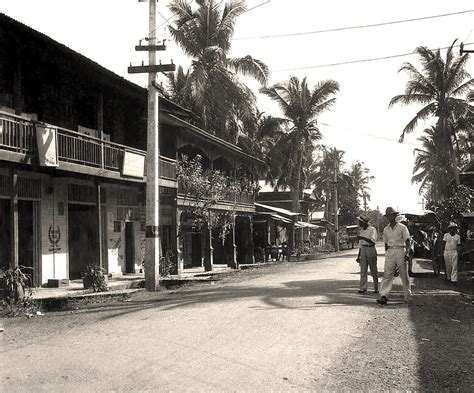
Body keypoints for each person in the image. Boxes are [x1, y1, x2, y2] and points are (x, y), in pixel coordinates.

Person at [377, 207, 412, 305]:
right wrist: (387, 254)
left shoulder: (402, 227)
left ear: (395, 216)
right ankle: (384, 296)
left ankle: (408, 296)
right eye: (388, 216)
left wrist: (408, 253)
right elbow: (385, 244)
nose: (390, 217)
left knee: (404, 275)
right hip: (390, 252)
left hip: (401, 250)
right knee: (387, 275)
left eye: (391, 215)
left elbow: (407, 241)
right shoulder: (386, 229)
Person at [356, 214, 378, 293]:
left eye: (360, 222)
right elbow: (360, 245)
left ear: (364, 222)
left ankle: (376, 288)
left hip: (371, 249)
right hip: (363, 250)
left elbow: (372, 241)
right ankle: (363, 287)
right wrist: (358, 256)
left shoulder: (372, 229)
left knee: (373, 270)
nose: (359, 223)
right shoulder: (361, 231)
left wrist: (362, 237)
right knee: (363, 270)